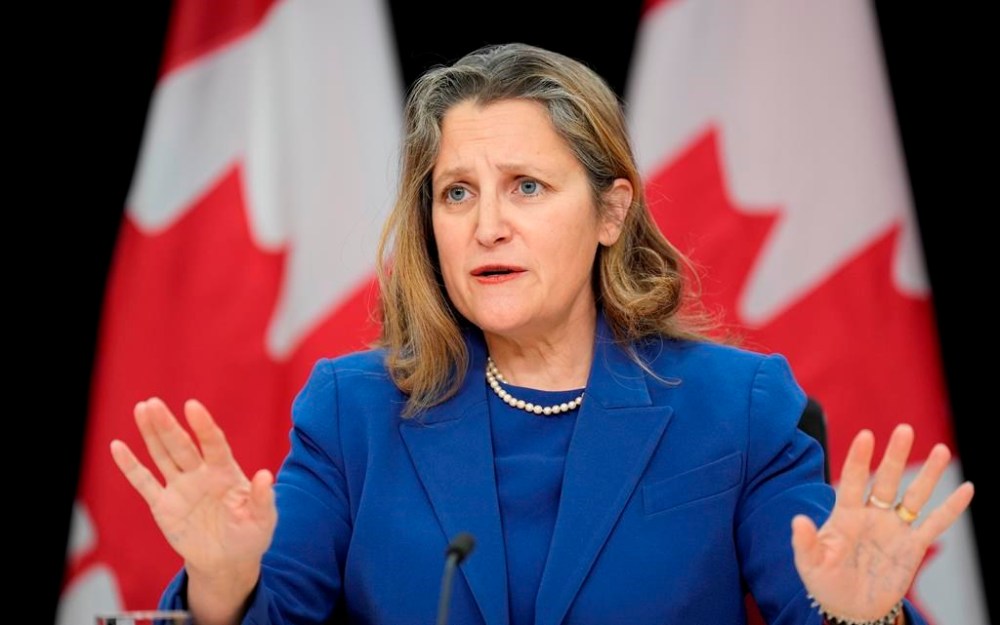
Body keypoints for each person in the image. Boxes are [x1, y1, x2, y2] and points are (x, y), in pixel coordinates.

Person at [110, 42, 974, 625]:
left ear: (610, 210)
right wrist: (223, 579)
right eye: (457, 193)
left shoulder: (735, 411)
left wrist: (866, 612)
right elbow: (273, 608)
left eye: (526, 186)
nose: (487, 225)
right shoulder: (353, 414)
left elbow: (825, 597)